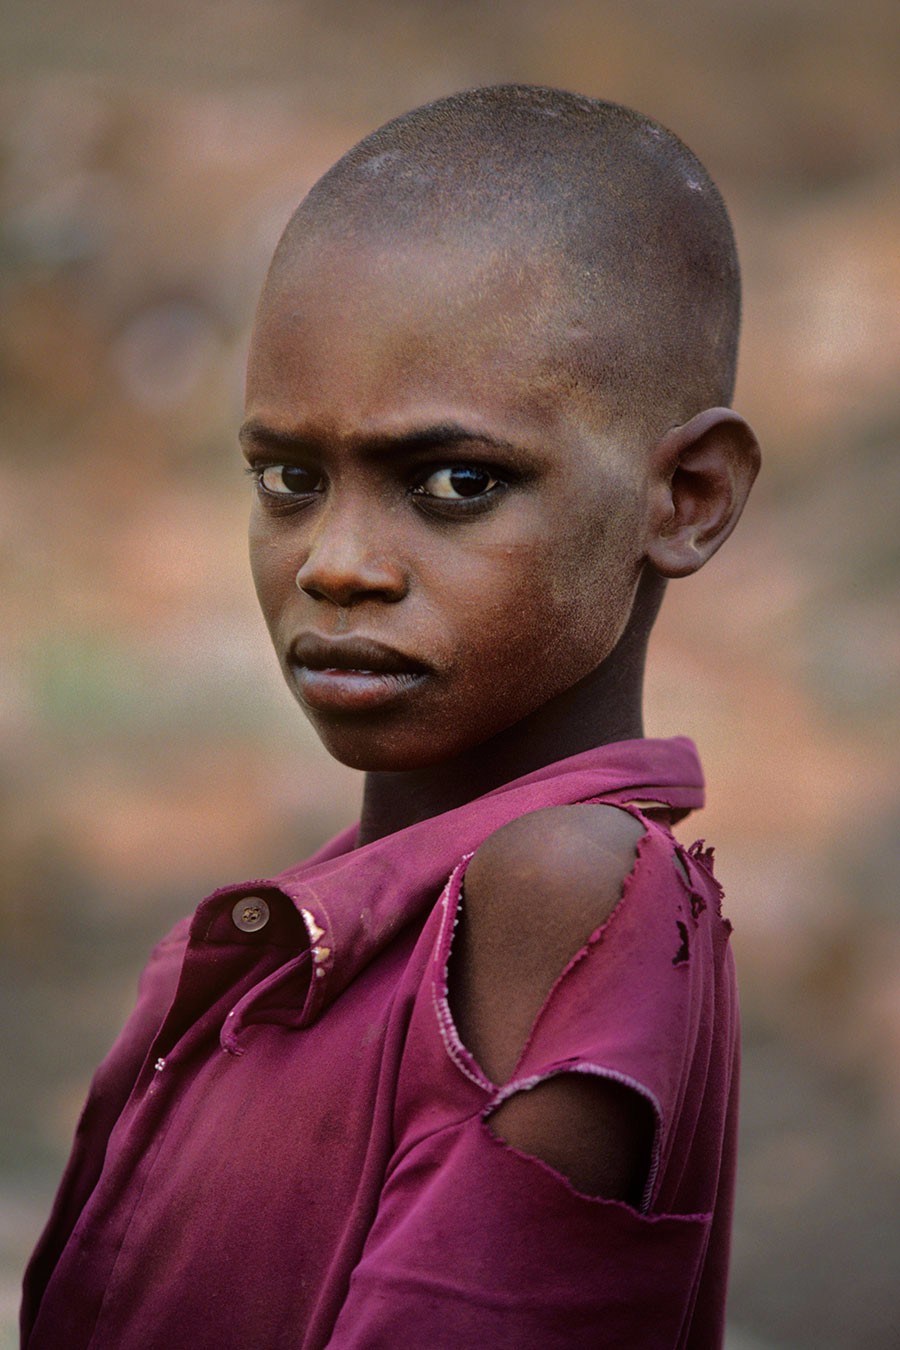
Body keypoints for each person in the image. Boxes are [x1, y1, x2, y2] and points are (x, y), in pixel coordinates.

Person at [21, 85, 760, 1348]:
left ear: (686, 498)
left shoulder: (564, 891)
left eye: (456, 482)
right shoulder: (348, 915)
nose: (336, 563)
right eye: (290, 480)